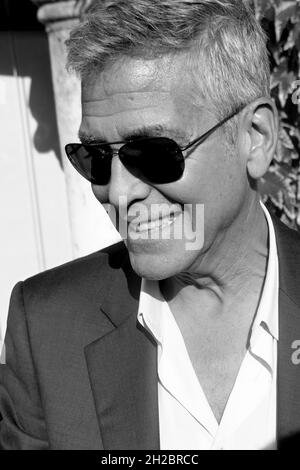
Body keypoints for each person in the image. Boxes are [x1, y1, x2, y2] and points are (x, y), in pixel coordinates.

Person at [1, 0, 300, 450]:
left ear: (254, 138)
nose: (119, 194)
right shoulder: (47, 327)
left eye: (154, 153)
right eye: (96, 157)